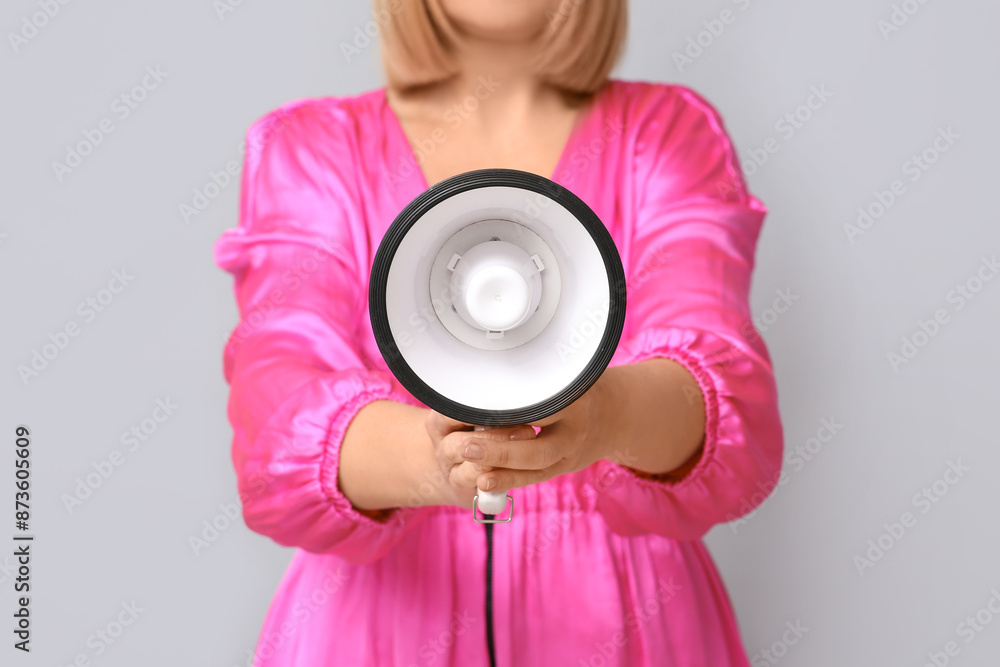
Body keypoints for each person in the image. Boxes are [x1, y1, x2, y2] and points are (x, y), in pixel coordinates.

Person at [212, 0, 784, 664]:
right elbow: (274, 425)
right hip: (380, 630)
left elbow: (730, 412)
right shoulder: (314, 149)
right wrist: (433, 462)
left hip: (628, 623)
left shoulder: (664, 133)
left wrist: (606, 418)